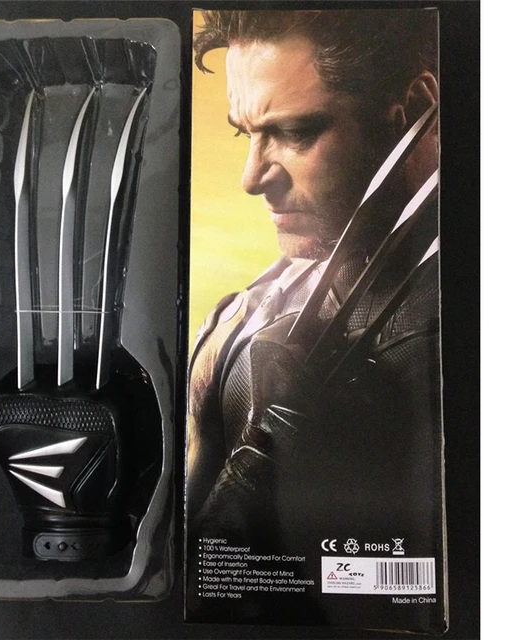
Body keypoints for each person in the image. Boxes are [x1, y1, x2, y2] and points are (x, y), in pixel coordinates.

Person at [186, 9, 443, 621]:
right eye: (245, 135)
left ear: (414, 107)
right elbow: (196, 578)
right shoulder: (239, 324)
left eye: (296, 132)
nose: (252, 179)